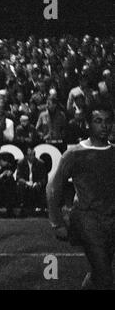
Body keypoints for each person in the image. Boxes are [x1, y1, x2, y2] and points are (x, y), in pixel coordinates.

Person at [47, 102, 115, 289]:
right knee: (105, 277)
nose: (104, 126)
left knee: (99, 273)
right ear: (87, 124)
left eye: (108, 121)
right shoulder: (75, 153)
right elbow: (53, 188)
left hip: (110, 221)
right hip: (88, 222)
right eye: (98, 121)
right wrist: (57, 223)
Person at [16, 146, 48, 216]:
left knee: (39, 188)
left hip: (37, 184)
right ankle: (23, 209)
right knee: (20, 186)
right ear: (26, 156)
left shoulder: (40, 163)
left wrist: (38, 183)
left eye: (33, 155)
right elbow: (18, 177)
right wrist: (26, 182)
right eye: (30, 155)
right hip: (26, 184)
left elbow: (44, 178)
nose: (32, 157)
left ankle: (41, 209)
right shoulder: (21, 163)